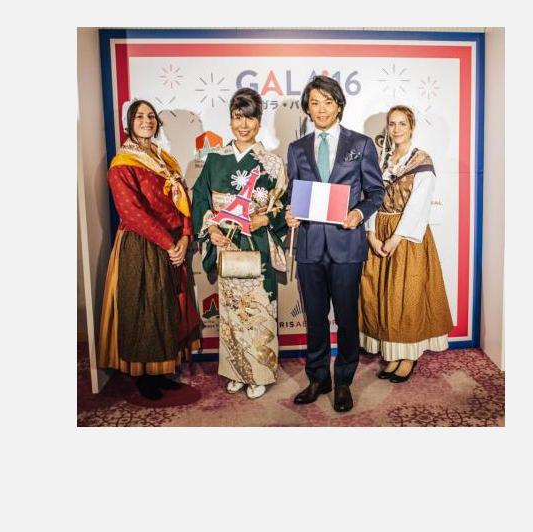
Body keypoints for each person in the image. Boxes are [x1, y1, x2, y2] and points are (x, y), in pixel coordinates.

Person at [285, 75, 385, 412]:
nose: (322, 109)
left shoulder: (362, 144)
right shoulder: (297, 148)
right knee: (314, 318)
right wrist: (290, 213)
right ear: (307, 109)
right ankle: (318, 378)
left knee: (346, 318)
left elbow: (376, 192)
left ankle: (343, 381)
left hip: (347, 246)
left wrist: (358, 213)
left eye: (328, 102)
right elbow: (293, 194)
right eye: (315, 103)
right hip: (310, 246)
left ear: (339, 105)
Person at [97, 99, 201, 400]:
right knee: (145, 309)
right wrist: (169, 244)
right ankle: (143, 375)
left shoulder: (164, 158)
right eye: (139, 116)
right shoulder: (122, 163)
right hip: (143, 245)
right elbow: (132, 212)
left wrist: (185, 236)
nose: (147, 121)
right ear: (128, 123)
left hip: (173, 243)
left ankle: (162, 370)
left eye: (151, 116)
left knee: (168, 307)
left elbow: (183, 199)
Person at [190, 88, 288, 399]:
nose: (243, 125)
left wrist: (266, 218)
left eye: (250, 118)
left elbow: (284, 204)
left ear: (259, 121)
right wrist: (211, 228)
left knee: (257, 310)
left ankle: (258, 372)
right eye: (237, 117)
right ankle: (235, 370)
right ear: (230, 120)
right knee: (231, 310)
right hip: (226, 244)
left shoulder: (272, 163)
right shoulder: (215, 159)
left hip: (256, 243)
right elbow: (201, 197)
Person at [359, 105, 454, 382]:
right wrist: (371, 234)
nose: (397, 129)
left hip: (407, 236)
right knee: (383, 295)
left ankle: (408, 355)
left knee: (406, 295)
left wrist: (396, 237)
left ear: (412, 127)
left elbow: (418, 205)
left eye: (402, 123)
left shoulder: (422, 160)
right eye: (392, 124)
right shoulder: (381, 160)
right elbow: (371, 197)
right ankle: (393, 353)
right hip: (380, 230)